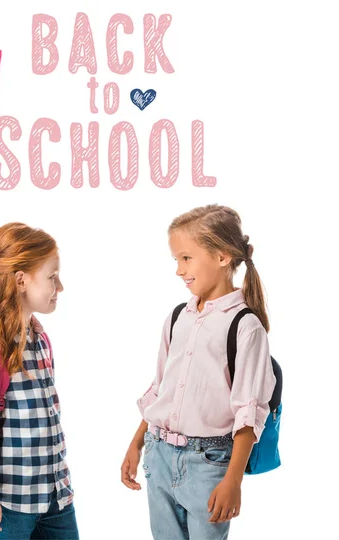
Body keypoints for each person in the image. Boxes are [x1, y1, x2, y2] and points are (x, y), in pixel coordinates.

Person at [121, 204, 276, 540]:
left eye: (186, 258)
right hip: (158, 455)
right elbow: (161, 389)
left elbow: (248, 412)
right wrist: (136, 443)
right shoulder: (178, 317)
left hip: (208, 464)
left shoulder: (245, 327)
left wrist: (232, 480)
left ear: (222, 257)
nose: (179, 270)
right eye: (176, 260)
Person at [0, 222, 79, 540]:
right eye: (52, 277)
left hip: (55, 496)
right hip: (10, 502)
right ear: (21, 280)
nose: (59, 286)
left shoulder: (38, 337)